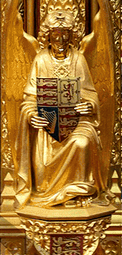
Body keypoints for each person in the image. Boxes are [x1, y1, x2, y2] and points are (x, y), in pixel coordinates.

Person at [15, 15, 104, 207]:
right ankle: (47, 192)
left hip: (77, 122)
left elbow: (91, 93)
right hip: (48, 124)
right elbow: (29, 99)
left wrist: (89, 105)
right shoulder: (41, 60)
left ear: (72, 36)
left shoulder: (78, 59)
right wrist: (32, 115)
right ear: (48, 36)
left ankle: (78, 192)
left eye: (65, 34)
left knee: (82, 142)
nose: (61, 40)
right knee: (43, 152)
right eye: (56, 34)